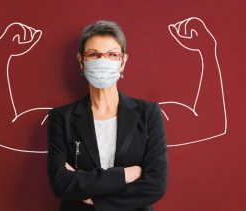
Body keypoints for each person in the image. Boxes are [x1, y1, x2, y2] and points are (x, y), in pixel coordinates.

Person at [46, 20, 168, 211]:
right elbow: (61, 183)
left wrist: (94, 199)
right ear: (81, 61)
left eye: (112, 54)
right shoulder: (62, 118)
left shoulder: (148, 114)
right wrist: (126, 175)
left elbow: (155, 185)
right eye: (94, 54)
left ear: (123, 62)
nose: (103, 61)